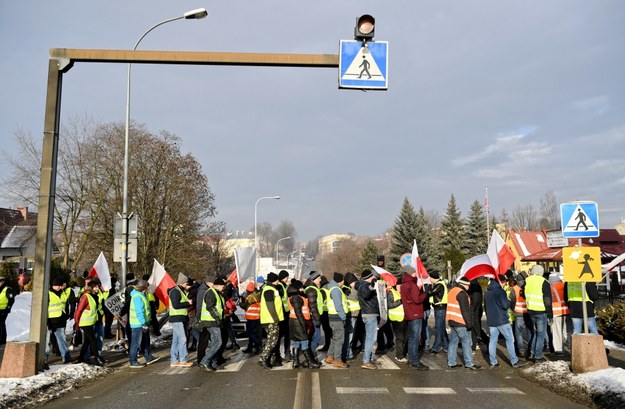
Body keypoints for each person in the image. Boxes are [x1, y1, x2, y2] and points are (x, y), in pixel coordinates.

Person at [484, 275, 528, 369]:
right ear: (500, 282)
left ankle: (493, 362)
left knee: (492, 341)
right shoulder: (501, 292)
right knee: (510, 339)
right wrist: (508, 301)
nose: (505, 284)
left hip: (492, 321)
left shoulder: (487, 292)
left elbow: (486, 307)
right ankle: (514, 361)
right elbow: (505, 305)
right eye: (504, 282)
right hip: (502, 320)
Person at [447, 276, 481, 370]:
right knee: (466, 342)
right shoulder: (462, 294)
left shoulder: (452, 291)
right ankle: (469, 363)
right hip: (460, 322)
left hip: (452, 320)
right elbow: (465, 311)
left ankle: (451, 362)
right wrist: (470, 324)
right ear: (463, 284)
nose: (468, 287)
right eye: (467, 285)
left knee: (453, 342)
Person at [401, 265, 429, 370]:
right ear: (409, 273)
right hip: (415, 313)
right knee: (415, 338)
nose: (415, 274)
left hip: (409, 314)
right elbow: (417, 299)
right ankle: (415, 361)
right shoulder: (411, 285)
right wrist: (425, 294)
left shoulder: (404, 284)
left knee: (412, 337)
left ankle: (411, 359)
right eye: (413, 272)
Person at [522, 264, 552, 362]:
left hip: (530, 310)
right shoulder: (544, 282)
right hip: (541, 311)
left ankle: (532, 352)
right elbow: (547, 300)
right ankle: (538, 356)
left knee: (537, 333)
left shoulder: (527, 280)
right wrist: (550, 315)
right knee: (541, 334)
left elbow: (522, 293)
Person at [287, 279, 320, 368]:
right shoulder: (296, 297)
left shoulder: (294, 296)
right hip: (298, 322)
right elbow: (298, 312)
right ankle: (310, 362)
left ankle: (296, 362)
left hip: (294, 321)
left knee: (297, 342)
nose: (302, 289)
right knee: (305, 341)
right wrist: (303, 324)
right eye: (301, 287)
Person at [128, 279, 159, 368]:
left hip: (141, 323)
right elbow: (139, 312)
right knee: (136, 343)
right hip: (138, 324)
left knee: (144, 341)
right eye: (146, 287)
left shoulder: (141, 295)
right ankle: (133, 361)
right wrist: (143, 323)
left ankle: (148, 357)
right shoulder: (138, 296)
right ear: (143, 288)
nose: (147, 289)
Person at [74, 278, 105, 366]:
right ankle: (97, 358)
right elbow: (79, 310)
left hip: (91, 322)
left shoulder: (94, 296)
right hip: (85, 323)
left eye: (98, 287)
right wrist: (77, 323)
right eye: (95, 287)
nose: (97, 289)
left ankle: (80, 359)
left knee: (87, 342)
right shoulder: (86, 296)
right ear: (91, 287)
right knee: (93, 340)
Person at [198, 276, 226, 371]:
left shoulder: (217, 293)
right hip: (211, 321)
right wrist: (217, 318)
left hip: (214, 321)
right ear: (217, 285)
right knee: (218, 342)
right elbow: (210, 307)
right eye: (222, 286)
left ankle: (212, 361)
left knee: (215, 342)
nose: (224, 287)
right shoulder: (210, 292)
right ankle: (205, 361)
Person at [46, 275, 74, 366]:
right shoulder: (48, 294)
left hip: (60, 321)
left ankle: (66, 357)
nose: (61, 287)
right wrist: (46, 321)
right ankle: (44, 359)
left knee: (61, 339)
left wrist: (66, 314)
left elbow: (65, 304)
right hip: (50, 321)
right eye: (60, 285)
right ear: (55, 285)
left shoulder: (63, 293)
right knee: (47, 341)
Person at [258, 273, 284, 369]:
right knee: (271, 341)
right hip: (271, 320)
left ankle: (271, 359)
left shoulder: (271, 289)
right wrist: (275, 318)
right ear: (274, 280)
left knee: (273, 340)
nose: (278, 282)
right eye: (277, 280)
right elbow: (270, 306)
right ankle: (263, 359)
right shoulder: (269, 290)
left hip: (271, 320)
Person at [168, 273, 193, 367]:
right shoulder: (175, 291)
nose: (188, 286)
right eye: (187, 284)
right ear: (183, 283)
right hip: (177, 318)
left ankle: (174, 360)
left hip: (179, 318)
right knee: (182, 339)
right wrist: (188, 303)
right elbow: (176, 305)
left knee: (176, 340)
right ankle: (182, 360)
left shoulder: (180, 291)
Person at [356, 269, 380, 370]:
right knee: (371, 338)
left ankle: (368, 358)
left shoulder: (363, 285)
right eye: (373, 276)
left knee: (370, 338)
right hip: (369, 315)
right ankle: (366, 361)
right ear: (370, 277)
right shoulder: (364, 286)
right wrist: (372, 286)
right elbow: (366, 294)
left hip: (369, 314)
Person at [325, 272, 348, 368]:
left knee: (335, 338)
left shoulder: (332, 288)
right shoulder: (336, 290)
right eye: (343, 280)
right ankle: (337, 360)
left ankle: (330, 356)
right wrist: (343, 317)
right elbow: (338, 305)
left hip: (333, 317)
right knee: (339, 340)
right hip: (337, 317)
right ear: (341, 280)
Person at [303, 271, 323, 363]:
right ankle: (312, 357)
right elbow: (313, 305)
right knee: (316, 337)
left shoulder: (312, 288)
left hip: (314, 316)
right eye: (319, 278)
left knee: (313, 337)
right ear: (314, 279)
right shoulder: (311, 289)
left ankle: (311, 357)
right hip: (314, 317)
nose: (320, 280)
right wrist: (317, 318)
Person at [387, 276, 407, 364]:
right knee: (400, 338)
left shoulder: (404, 293)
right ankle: (399, 356)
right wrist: (400, 301)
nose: (401, 287)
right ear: (397, 285)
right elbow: (389, 305)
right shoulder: (392, 292)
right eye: (400, 285)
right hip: (395, 318)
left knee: (405, 337)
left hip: (405, 318)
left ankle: (402, 352)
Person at [428, 270, 448, 354]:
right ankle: (446, 346)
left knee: (438, 328)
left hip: (440, 309)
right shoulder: (439, 284)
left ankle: (436, 347)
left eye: (430, 277)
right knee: (442, 328)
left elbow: (430, 293)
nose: (429, 279)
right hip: (440, 308)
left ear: (433, 278)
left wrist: (428, 287)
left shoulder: (439, 285)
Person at [549, 272, 570, 356]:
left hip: (557, 312)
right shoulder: (565, 285)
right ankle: (571, 346)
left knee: (557, 331)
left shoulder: (550, 288)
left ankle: (559, 350)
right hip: (568, 311)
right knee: (568, 330)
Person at [241, 280, 262, 354]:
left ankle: (258, 345)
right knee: (254, 333)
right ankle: (250, 347)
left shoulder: (251, 297)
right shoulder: (257, 295)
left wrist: (241, 303)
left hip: (251, 318)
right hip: (257, 317)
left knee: (249, 333)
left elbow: (245, 306)